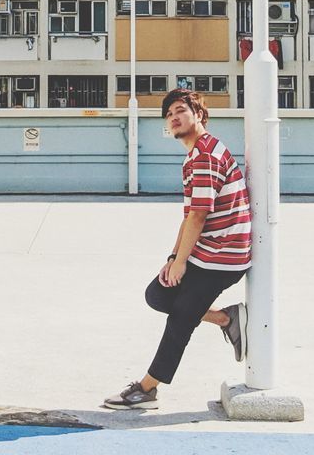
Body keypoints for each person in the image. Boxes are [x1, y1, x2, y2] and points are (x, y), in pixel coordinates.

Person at [103, 88, 251, 411]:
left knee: (181, 316)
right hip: (209, 250)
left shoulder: (207, 155)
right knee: (158, 294)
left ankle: (147, 388)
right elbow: (189, 216)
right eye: (169, 115)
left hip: (223, 254)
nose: (174, 117)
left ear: (199, 115)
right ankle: (227, 319)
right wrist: (173, 258)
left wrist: (183, 261)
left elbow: (200, 215)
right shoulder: (195, 155)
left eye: (181, 110)